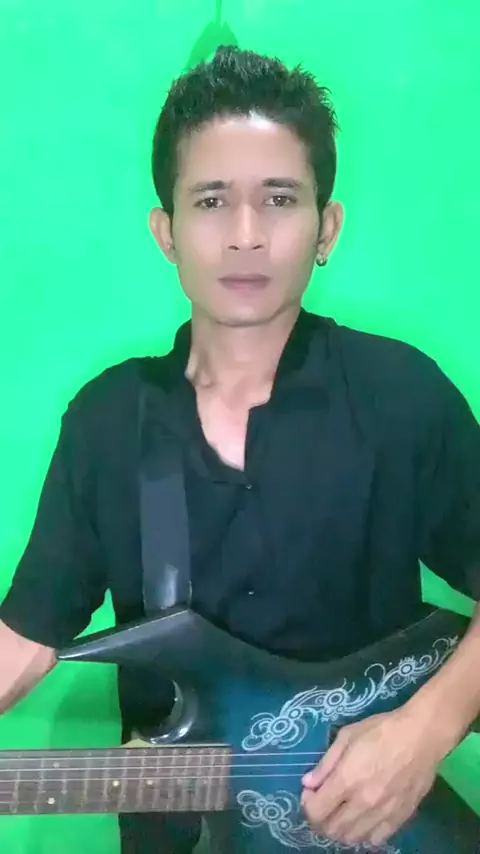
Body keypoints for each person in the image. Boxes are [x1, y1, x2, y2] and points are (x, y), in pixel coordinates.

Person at [0, 45, 479, 854]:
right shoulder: (108, 421)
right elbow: (25, 640)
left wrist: (422, 732)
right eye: (212, 200)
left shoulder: (402, 396)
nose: (246, 236)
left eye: (279, 199)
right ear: (167, 232)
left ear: (327, 227)